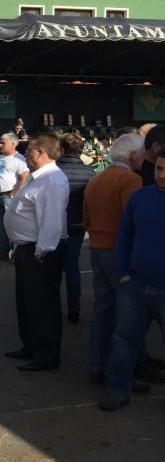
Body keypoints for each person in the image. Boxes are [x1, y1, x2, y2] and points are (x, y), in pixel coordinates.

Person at [99, 147, 165, 411]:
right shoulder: (140, 197)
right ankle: (118, 390)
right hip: (135, 286)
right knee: (124, 340)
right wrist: (123, 272)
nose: (162, 175)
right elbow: (125, 234)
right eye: (159, 169)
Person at [3, 134, 69, 372]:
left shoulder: (51, 180)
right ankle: (30, 345)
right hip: (28, 249)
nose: (26, 153)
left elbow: (51, 222)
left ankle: (46, 355)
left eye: (29, 149)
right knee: (27, 301)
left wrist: (42, 252)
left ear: (40, 152)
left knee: (42, 304)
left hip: (39, 251)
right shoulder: (37, 177)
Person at [83, 133, 144, 385]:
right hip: (119, 252)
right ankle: (120, 371)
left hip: (96, 249)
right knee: (127, 316)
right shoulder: (131, 180)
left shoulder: (96, 180)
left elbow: (86, 218)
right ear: (133, 156)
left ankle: (97, 365)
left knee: (103, 310)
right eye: (140, 153)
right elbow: (134, 221)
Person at [56, 133, 96, 323]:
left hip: (56, 223)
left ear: (61, 148)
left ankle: (51, 306)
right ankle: (74, 308)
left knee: (52, 268)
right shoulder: (89, 172)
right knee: (72, 266)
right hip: (78, 224)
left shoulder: (52, 170)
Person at [0, 133, 29, 262]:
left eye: (3, 143)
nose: (0, 145)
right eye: (0, 142)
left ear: (13, 144)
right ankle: (3, 252)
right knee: (0, 225)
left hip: (8, 196)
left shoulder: (19, 159)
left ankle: (15, 253)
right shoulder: (0, 157)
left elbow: (24, 177)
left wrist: (13, 192)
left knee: (12, 224)